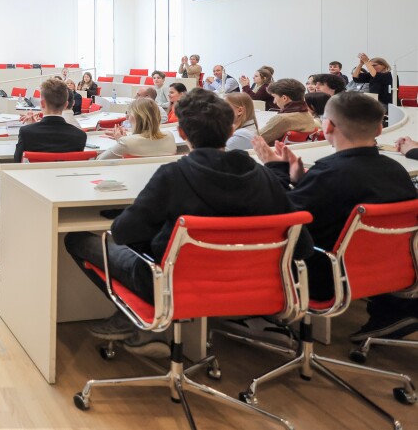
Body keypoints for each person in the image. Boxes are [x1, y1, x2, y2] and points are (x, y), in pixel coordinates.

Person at [65, 89, 313, 357]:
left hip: (174, 283)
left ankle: (139, 319)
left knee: (77, 239)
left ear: (182, 133)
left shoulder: (174, 175)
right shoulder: (262, 177)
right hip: (250, 284)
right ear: (231, 131)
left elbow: (124, 233)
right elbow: (302, 247)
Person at [254, 92, 418, 342]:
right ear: (378, 128)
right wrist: (302, 180)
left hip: (327, 275)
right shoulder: (395, 170)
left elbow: (284, 218)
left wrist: (277, 169)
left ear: (328, 126)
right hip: (388, 269)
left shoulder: (330, 173)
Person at [13, 79, 86, 162]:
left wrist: (31, 126)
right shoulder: (80, 136)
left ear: (42, 103)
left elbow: (17, 162)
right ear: (66, 105)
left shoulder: (26, 132)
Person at [97, 98, 177, 161]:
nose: (127, 117)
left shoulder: (126, 142)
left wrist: (121, 140)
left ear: (137, 117)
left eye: (129, 113)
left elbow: (100, 160)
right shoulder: (170, 136)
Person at [257, 78, 318, 144]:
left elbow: (255, 140)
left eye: (274, 97)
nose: (274, 102)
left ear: (284, 98)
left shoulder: (282, 119)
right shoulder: (308, 114)